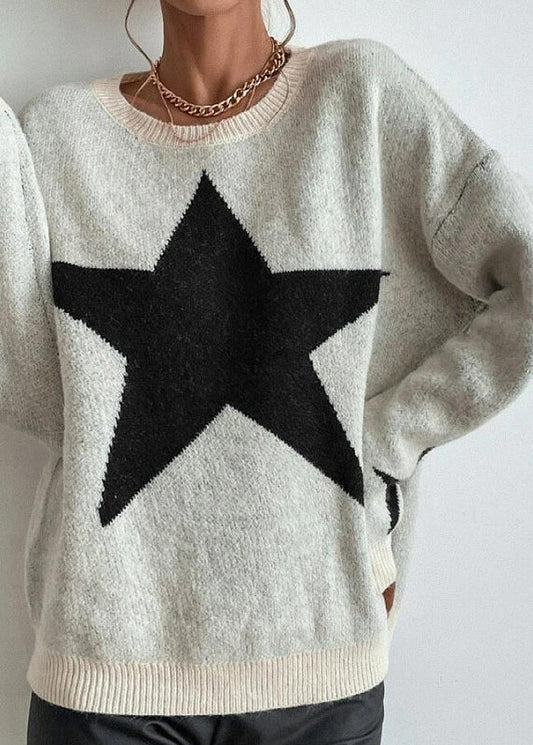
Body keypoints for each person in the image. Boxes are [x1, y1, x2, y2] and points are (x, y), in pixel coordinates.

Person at [0, 0, 531, 743]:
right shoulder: (57, 134)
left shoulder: (361, 97)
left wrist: (385, 445)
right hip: (104, 662)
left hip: (316, 664)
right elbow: (38, 397)